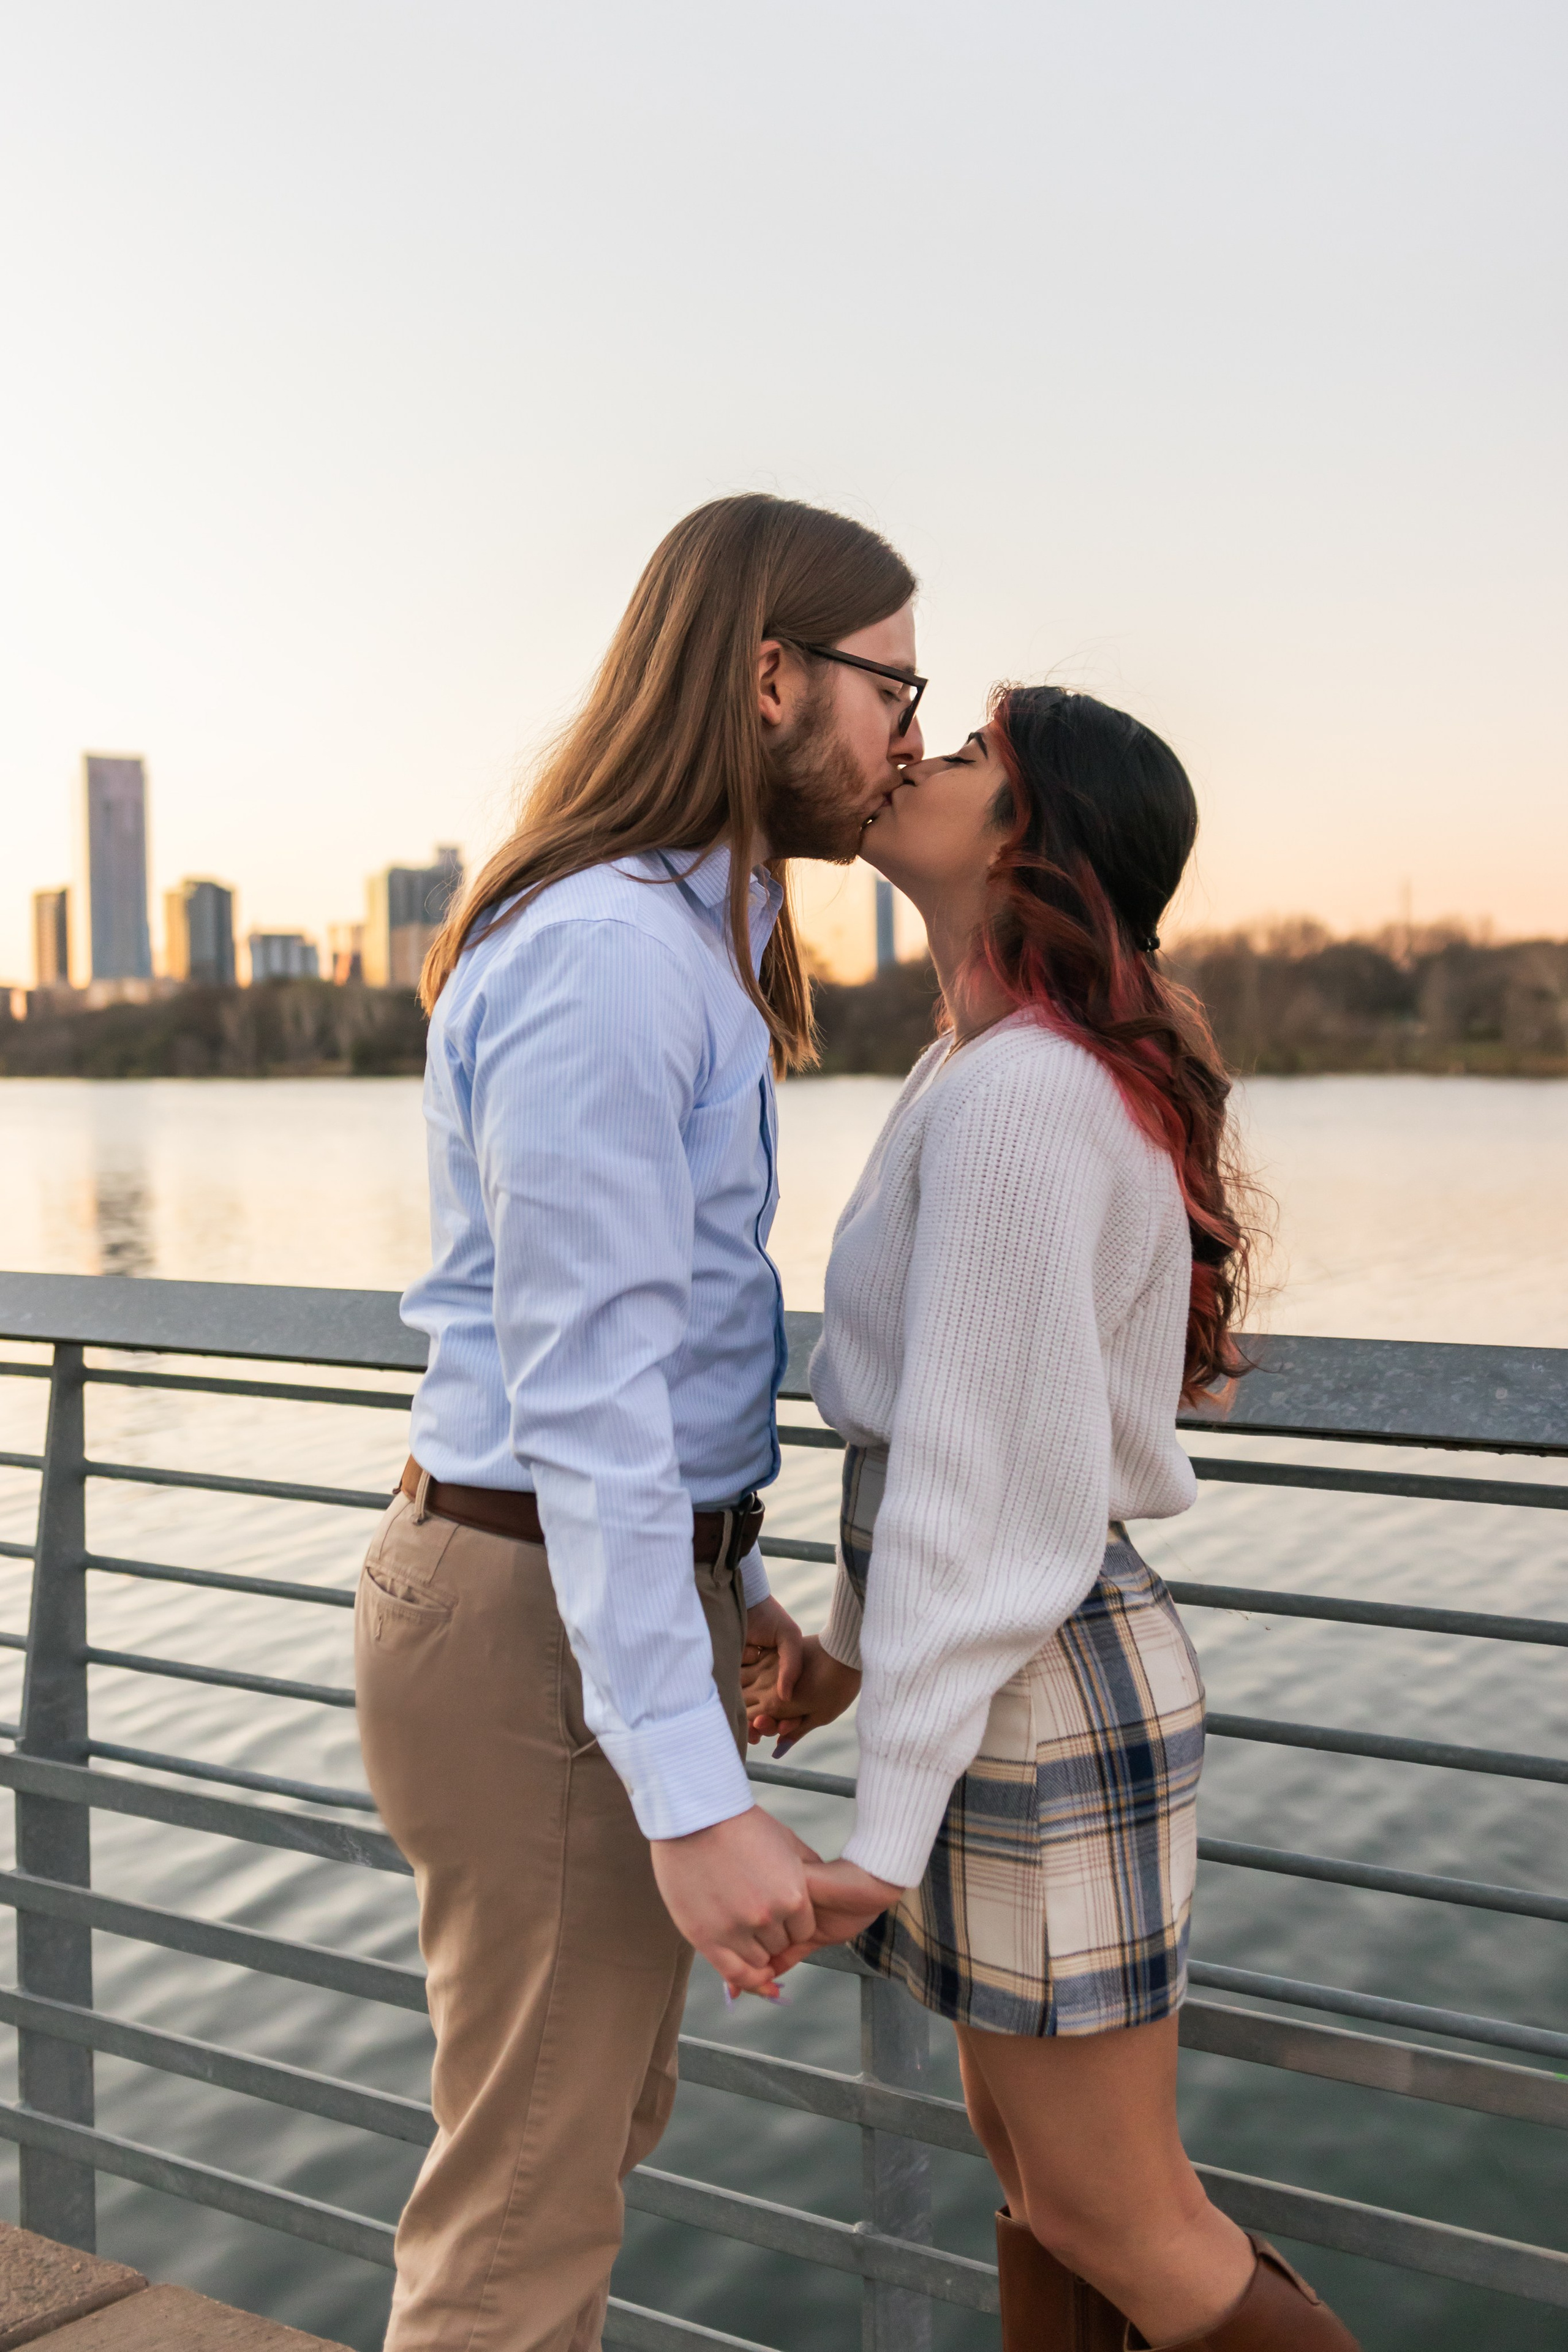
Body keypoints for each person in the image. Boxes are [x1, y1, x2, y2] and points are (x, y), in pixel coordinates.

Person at [353, 492, 926, 2352]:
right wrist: (690, 1801)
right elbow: (588, 1403)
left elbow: (640, 1362)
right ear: (771, 678)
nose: (911, 735)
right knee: (516, 2237)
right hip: (535, 1617)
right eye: (891, 687)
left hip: (576, 1599)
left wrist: (730, 1572)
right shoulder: (610, 960)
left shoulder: (685, 951)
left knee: (561, 2157)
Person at [744, 687, 1360, 2350]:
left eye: (964, 757)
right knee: (1045, 2193)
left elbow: (978, 1489)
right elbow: (958, 1455)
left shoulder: (1026, 1092)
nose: (913, 761)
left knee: (1116, 2211)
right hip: (1000, 1676)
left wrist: (878, 1829)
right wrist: (856, 1670)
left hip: (1037, 1691)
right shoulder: (988, 1064)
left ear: (1027, 835)